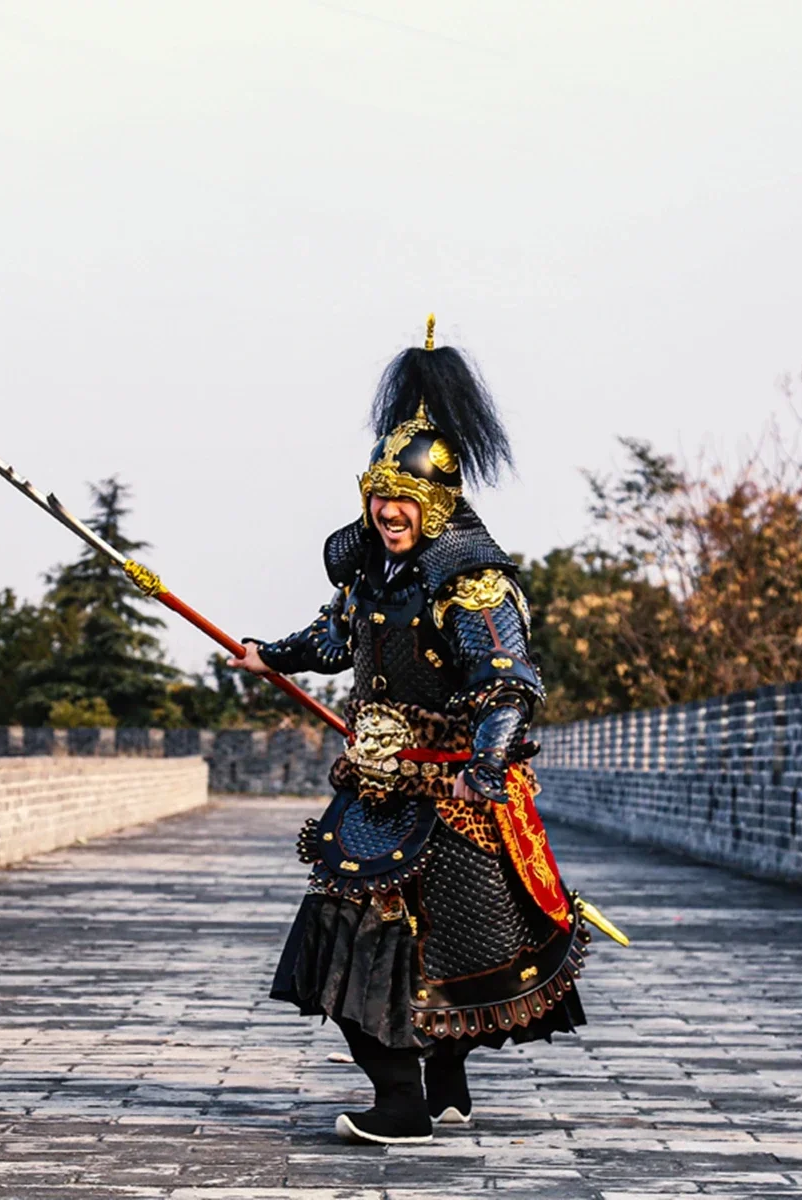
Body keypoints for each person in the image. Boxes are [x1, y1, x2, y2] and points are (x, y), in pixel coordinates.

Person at [230, 316, 590, 1145]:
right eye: (380, 498)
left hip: (445, 791)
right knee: (389, 944)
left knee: (392, 946)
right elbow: (331, 640)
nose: (389, 512)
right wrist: (264, 656)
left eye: (406, 501)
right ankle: (440, 1082)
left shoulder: (469, 584)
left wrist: (487, 769)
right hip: (376, 788)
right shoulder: (374, 574)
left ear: (437, 505)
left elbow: (506, 684)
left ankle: (403, 1102)